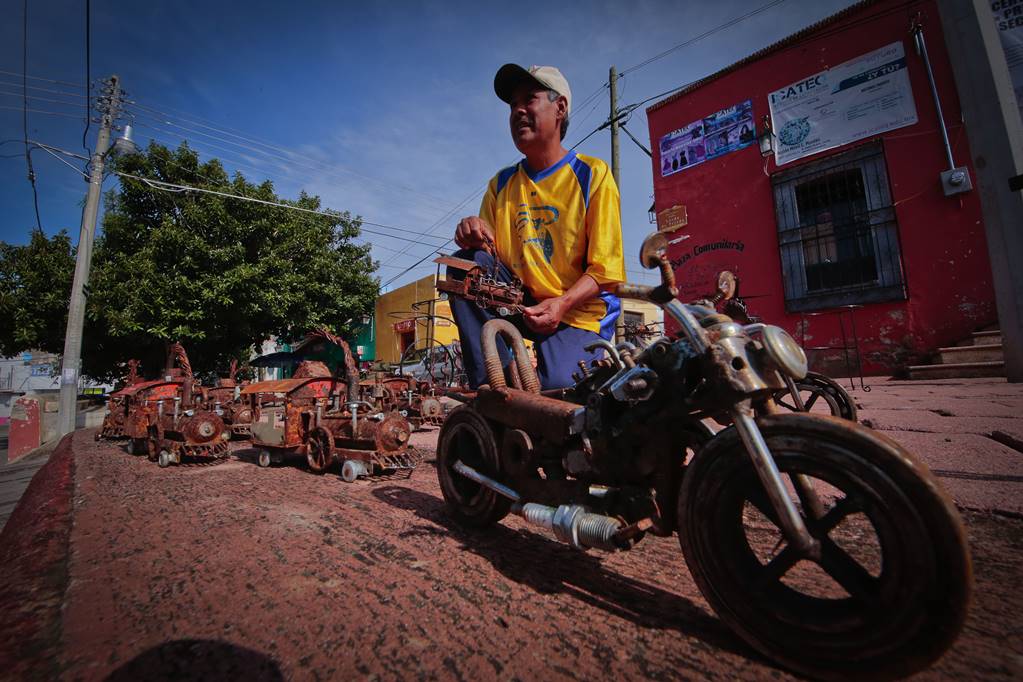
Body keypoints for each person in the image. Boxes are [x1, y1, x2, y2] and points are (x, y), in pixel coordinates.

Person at [448, 64, 625, 390]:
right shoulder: (500, 185)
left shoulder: (591, 175)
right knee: (464, 267)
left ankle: (539, 383)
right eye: (513, 105)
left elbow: (606, 271)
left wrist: (562, 303)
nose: (518, 111)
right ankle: (494, 386)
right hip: (522, 303)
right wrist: (472, 232)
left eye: (529, 99)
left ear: (560, 108)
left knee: (560, 391)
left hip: (577, 312)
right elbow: (489, 261)